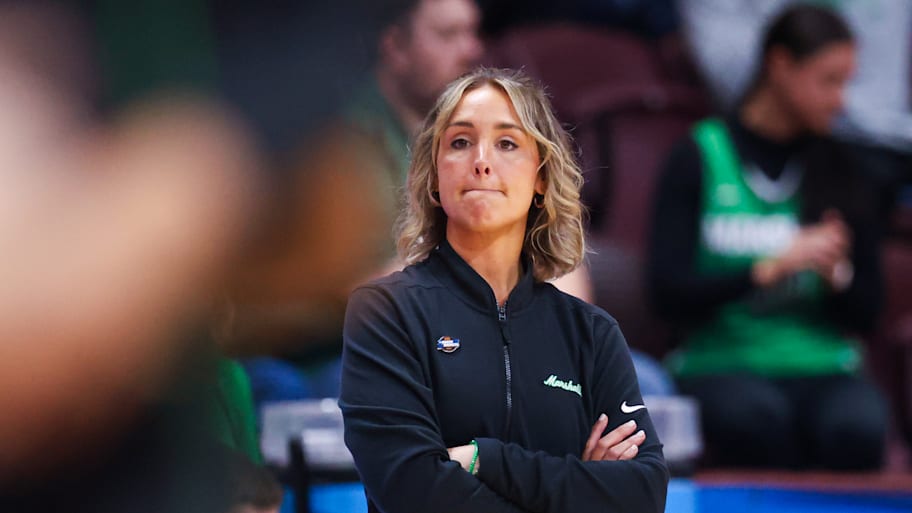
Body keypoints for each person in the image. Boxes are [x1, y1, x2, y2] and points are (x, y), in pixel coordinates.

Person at [340, 67, 668, 513]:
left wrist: (485, 459)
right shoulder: (385, 312)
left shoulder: (591, 332)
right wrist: (581, 489)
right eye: (459, 142)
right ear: (434, 176)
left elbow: (642, 492)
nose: (481, 159)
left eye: (507, 143)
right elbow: (412, 491)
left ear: (541, 177)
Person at [648, 5, 888, 469]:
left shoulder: (842, 167)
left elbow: (868, 312)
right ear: (780, 66)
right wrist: (768, 268)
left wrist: (840, 276)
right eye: (829, 81)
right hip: (721, 360)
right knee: (754, 419)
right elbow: (667, 293)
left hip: (820, 363)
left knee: (858, 427)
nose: (842, 100)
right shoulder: (699, 154)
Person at [232, 0, 484, 403]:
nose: (471, 49)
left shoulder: (469, 131)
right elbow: (346, 288)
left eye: (472, 32)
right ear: (395, 47)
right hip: (317, 354)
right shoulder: (338, 136)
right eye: (447, 34)